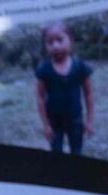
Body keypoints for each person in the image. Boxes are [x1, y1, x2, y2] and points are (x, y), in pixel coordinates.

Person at [35, 21, 95, 155]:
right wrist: (46, 126)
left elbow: (89, 94)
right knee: (56, 154)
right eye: (50, 42)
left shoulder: (80, 66)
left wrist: (89, 121)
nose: (55, 46)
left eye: (60, 40)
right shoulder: (44, 69)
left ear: (70, 41)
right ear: (46, 46)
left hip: (75, 120)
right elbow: (40, 97)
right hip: (54, 122)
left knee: (77, 152)